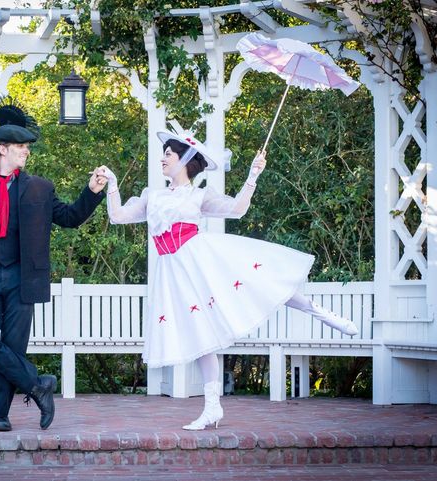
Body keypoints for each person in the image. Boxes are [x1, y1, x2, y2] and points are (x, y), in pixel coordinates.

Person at [97, 130, 358, 431]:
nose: (162, 159)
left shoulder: (198, 195)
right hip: (173, 273)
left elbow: (237, 209)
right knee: (201, 335)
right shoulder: (152, 196)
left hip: (202, 260)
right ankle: (212, 408)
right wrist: (113, 185)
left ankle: (322, 313)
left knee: (258, 283)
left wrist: (252, 176)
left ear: (183, 159)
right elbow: (117, 216)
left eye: (167, 154)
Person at [0, 119, 107, 432]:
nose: (26, 152)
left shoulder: (40, 188)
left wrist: (92, 191)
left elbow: (70, 217)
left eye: (27, 147)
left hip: (21, 278)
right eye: (20, 147)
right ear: (2, 150)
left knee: (13, 348)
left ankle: (0, 416)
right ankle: (38, 384)